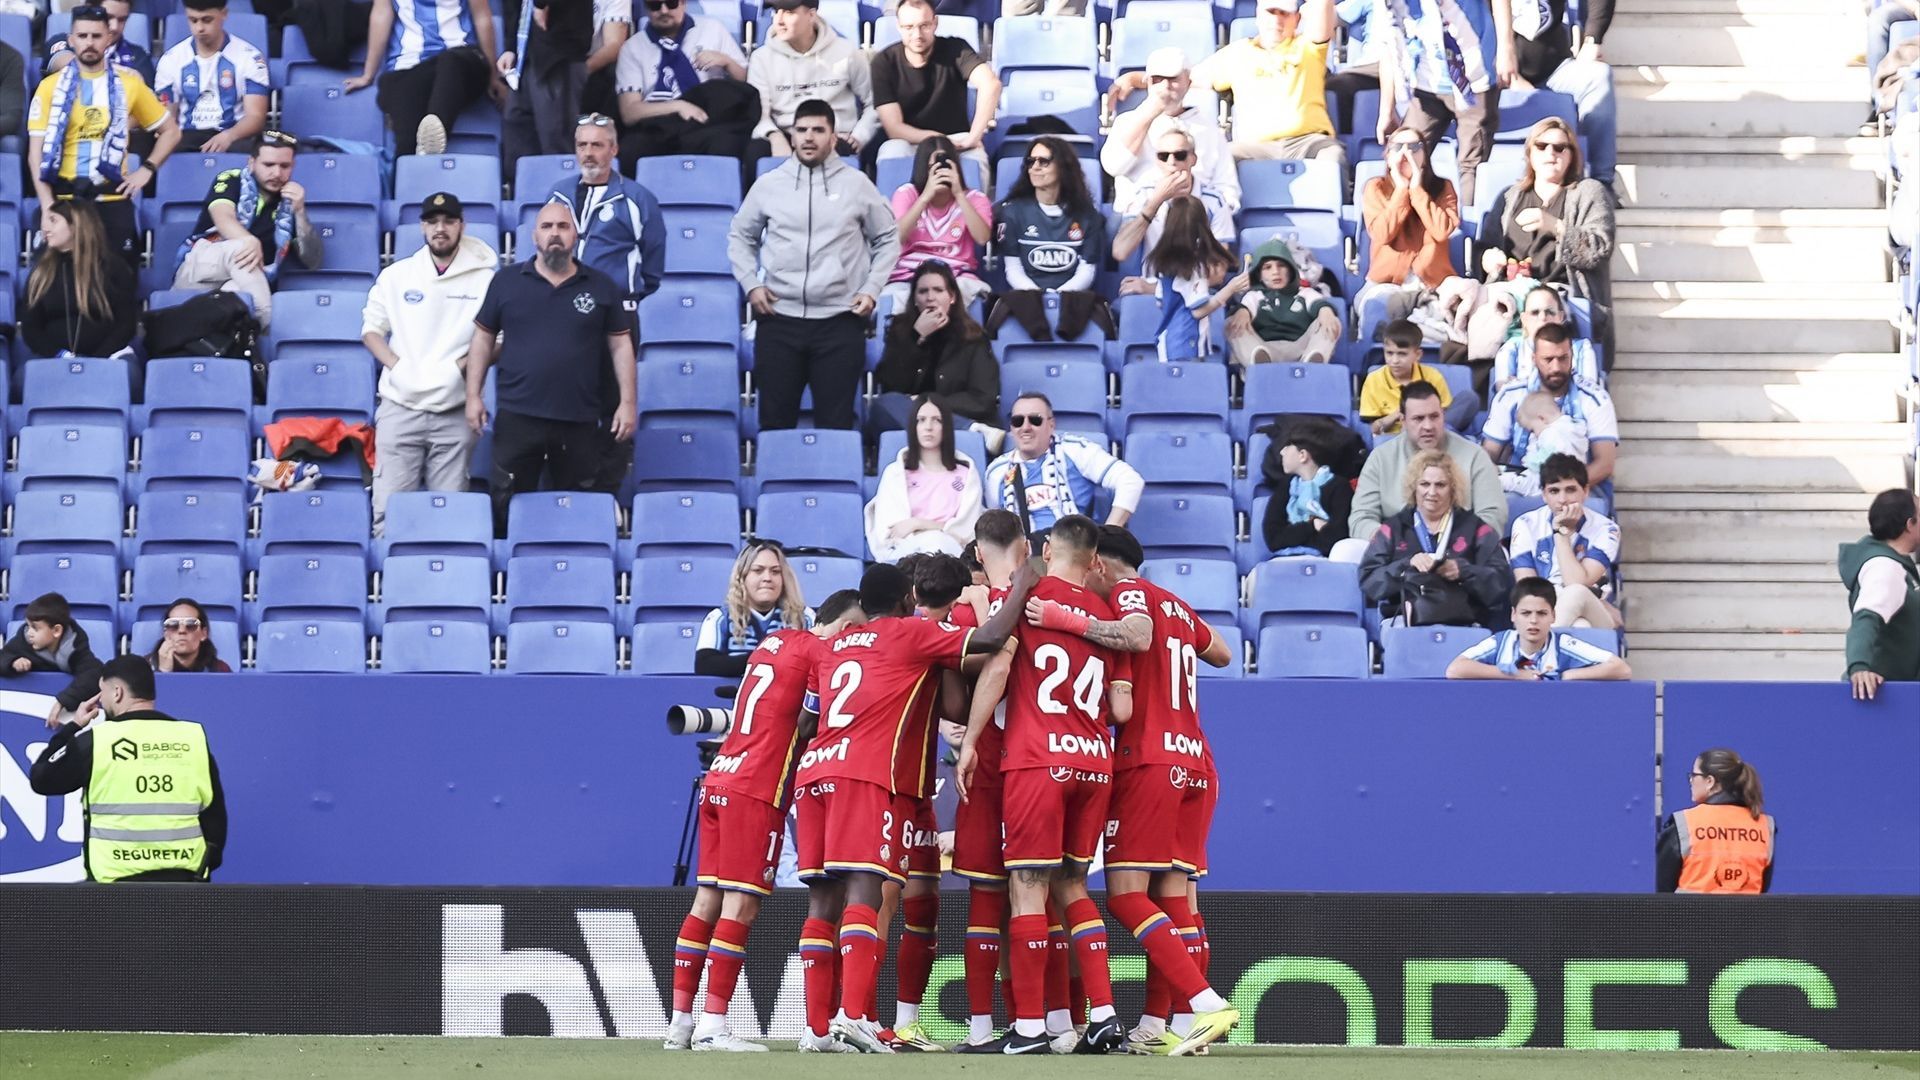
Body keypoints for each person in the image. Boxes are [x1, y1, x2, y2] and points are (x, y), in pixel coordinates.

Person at [792, 560, 1033, 1053]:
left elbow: (805, 723)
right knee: (867, 891)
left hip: (815, 772)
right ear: (907, 600)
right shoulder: (909, 632)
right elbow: (989, 639)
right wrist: (1023, 585)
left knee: (822, 901)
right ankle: (854, 1017)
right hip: (865, 776)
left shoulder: (835, 646)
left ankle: (817, 1030)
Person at [1025, 523, 1240, 1055]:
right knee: (1174, 896)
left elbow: (1138, 636)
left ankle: (1204, 1003)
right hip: (1196, 760)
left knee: (1125, 895)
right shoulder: (1176, 604)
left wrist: (1065, 618)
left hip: (1150, 759)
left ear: (1099, 563)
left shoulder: (1128, 593)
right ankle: (1167, 1024)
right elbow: (1222, 654)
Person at [665, 588, 866, 1052]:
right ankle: (714, 1025)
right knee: (741, 906)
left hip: (721, 776)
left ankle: (680, 1023)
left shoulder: (773, 642)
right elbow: (814, 721)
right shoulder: (822, 655)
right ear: (849, 628)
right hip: (757, 789)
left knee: (705, 902)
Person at [465, 202, 638, 534]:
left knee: (577, 509)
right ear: (534, 237)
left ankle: (572, 563)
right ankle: (511, 564)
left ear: (576, 235)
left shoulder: (601, 286)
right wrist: (473, 395)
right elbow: (483, 340)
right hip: (519, 416)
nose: (554, 234)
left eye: (562, 226)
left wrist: (628, 403)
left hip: (579, 419)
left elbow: (620, 346)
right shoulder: (506, 282)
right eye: (547, 227)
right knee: (507, 506)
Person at [728, 98, 898, 432]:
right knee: (774, 425)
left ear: (833, 137)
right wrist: (751, 283)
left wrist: (871, 288)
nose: (808, 137)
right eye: (801, 129)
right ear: (791, 135)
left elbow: (888, 238)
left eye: (818, 130)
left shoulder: (857, 184)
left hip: (840, 322)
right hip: (778, 320)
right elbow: (740, 236)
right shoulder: (769, 184)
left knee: (836, 427)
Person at [363, 192, 497, 532]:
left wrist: (458, 368)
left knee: (449, 518)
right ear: (422, 227)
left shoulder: (486, 279)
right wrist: (398, 367)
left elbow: (498, 340)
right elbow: (371, 331)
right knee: (389, 516)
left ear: (462, 225)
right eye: (433, 222)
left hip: (454, 410)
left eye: (449, 221)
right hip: (399, 406)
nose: (441, 228)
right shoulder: (397, 275)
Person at [27, 655, 227, 883]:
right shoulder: (191, 738)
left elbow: (41, 778)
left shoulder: (96, 741)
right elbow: (215, 815)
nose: (101, 701)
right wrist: (204, 866)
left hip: (115, 884)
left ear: (117, 693)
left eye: (102, 692)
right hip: (185, 882)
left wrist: (72, 726)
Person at [545, 113, 666, 490]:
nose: (589, 153)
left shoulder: (637, 198)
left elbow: (653, 262)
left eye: (597, 145)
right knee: (567, 401)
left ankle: (606, 491)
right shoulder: (559, 195)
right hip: (565, 315)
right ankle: (569, 485)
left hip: (616, 316)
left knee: (616, 404)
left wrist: (621, 296)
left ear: (614, 150)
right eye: (582, 145)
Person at [29, 6, 181, 266]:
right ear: (72, 39)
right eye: (83, 36)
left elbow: (171, 131)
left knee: (118, 283)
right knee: (53, 285)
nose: (89, 43)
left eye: (96, 36)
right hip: (64, 201)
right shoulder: (49, 87)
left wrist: (146, 170)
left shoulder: (130, 84)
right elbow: (35, 155)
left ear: (109, 38)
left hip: (113, 200)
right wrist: (46, 206)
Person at [1479, 117, 1615, 356]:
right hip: (1510, 292)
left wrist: (1556, 226)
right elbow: (1485, 247)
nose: (1550, 153)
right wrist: (1488, 259)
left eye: (1560, 147)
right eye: (1541, 146)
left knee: (1538, 306)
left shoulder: (1588, 192)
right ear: (1530, 153)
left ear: (1572, 155)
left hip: (1562, 295)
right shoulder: (1510, 197)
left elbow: (1599, 249)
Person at [172, 131, 322, 329]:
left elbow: (312, 261)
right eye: (268, 165)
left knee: (240, 297)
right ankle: (267, 324)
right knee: (241, 249)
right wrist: (250, 240)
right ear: (252, 163)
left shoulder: (288, 203)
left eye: (284, 166)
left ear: (293, 166)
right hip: (198, 270)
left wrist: (300, 212)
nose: (277, 173)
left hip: (240, 282)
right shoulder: (231, 179)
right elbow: (223, 217)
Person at [1375, 0, 1510, 206]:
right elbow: (1388, 46)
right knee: (1404, 154)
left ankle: (1467, 221)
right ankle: (1402, 220)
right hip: (1425, 84)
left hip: (1474, 78)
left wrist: (1506, 48)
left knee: (1471, 164)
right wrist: (1386, 110)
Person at [1359, 448, 1514, 627]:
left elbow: (1501, 581)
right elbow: (1369, 579)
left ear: (1452, 489)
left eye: (1440, 485)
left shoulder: (1476, 528)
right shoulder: (1393, 528)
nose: (1432, 492)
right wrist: (1406, 566)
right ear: (1414, 487)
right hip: (1405, 620)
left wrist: (1463, 571)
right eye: (1425, 484)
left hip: (1464, 621)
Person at [1190, 0, 1342, 170]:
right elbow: (1187, 79)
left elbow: (1323, 9)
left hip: (1308, 142)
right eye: (1271, 12)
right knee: (1223, 158)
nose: (1277, 20)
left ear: (1297, 19)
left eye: (1284, 14)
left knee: (1332, 156)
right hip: (1255, 146)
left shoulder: (1308, 48)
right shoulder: (1237, 53)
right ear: (1258, 16)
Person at [1349, 381, 1506, 540]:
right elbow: (1361, 517)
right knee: (1345, 549)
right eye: (1418, 419)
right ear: (1403, 421)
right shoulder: (1380, 458)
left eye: (1434, 416)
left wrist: (1458, 543)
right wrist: (1390, 541)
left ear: (1443, 415)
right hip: (1394, 544)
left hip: (1461, 545)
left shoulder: (1475, 456)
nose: (1428, 426)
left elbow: (1493, 515)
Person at [346, 0, 506, 157]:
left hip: (461, 59)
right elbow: (381, 15)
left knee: (450, 62)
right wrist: (368, 74)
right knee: (405, 141)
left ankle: (433, 136)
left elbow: (482, 17)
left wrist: (492, 75)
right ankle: (414, 157)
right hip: (410, 65)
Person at [1101, 48, 1239, 217]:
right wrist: (1149, 114)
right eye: (1157, 79)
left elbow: (1228, 191)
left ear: (1188, 83)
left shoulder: (1209, 130)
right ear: (1148, 83)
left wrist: (1200, 214)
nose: (1165, 86)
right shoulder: (1126, 121)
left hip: (1194, 219)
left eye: (1173, 79)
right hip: (1137, 217)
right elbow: (1113, 166)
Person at [869, 0, 1000, 176]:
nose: (917, 34)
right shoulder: (883, 62)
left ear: (935, 23)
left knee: (976, 158)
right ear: (898, 27)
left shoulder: (956, 49)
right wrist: (939, 139)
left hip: (957, 139)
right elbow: (894, 128)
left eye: (924, 26)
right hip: (909, 141)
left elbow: (991, 84)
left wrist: (974, 137)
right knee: (891, 151)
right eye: (909, 27)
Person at [871, 260, 999, 438]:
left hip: (953, 418)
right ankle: (971, 429)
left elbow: (983, 398)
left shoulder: (973, 337)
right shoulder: (900, 330)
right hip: (909, 423)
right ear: (915, 299)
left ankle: (966, 428)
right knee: (884, 404)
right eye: (923, 291)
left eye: (938, 290)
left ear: (952, 297)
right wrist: (916, 337)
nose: (930, 297)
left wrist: (929, 404)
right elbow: (889, 385)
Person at [1483, 321, 1618, 489]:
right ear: (1534, 359)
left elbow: (1604, 464)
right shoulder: (1510, 395)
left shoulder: (1595, 398)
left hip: (1579, 487)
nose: (1556, 367)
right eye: (1548, 359)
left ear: (1572, 357)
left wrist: (1562, 489)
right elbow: (1489, 453)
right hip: (1521, 482)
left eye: (1563, 358)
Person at [984, 393, 1145, 533]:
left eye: (1035, 420)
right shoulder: (996, 471)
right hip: (1022, 556)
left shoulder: (1075, 449)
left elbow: (1131, 481)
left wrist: (1108, 534)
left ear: (1051, 425)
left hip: (1074, 551)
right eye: (1018, 421)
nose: (1026, 427)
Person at [1354, 128, 1460, 338]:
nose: (1406, 153)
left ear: (1425, 156)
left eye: (1414, 147)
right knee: (1376, 307)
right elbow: (1382, 234)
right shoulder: (1375, 187)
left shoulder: (1443, 187)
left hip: (1432, 285)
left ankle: (1421, 331)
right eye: (1397, 147)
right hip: (1387, 283)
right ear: (1387, 155)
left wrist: (1417, 190)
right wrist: (1402, 191)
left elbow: (1442, 231)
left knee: (1441, 311)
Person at [1506, 0, 1617, 192]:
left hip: (1555, 69)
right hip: (1497, 77)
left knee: (1598, 76)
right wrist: (1510, 77)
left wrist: (1593, 40)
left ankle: (1600, 184)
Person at [613, 0, 747, 155]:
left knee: (727, 145)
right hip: (658, 125)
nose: (664, 11)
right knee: (631, 148)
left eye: (671, 3)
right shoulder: (632, 47)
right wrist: (678, 106)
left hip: (708, 119)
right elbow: (629, 113)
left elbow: (745, 84)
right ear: (646, 9)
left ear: (683, 3)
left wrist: (727, 61)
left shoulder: (712, 29)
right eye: (655, 5)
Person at [747, 0, 877, 158]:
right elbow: (759, 113)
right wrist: (773, 135)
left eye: (788, 12)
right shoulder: (761, 58)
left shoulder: (846, 51)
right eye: (776, 12)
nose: (778, 21)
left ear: (811, 15)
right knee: (757, 151)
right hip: (786, 135)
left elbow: (875, 101)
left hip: (834, 136)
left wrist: (859, 136)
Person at [866, 395, 985, 562]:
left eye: (936, 420)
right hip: (908, 558)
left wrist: (918, 523)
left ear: (946, 426)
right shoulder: (895, 474)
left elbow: (967, 531)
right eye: (921, 420)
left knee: (936, 543)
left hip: (952, 558)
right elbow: (892, 532)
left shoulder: (966, 475)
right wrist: (940, 528)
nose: (928, 427)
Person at [1118, 195, 1236, 362]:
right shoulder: (1194, 268)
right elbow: (1198, 311)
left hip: (1169, 341)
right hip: (1187, 343)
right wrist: (1231, 289)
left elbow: (1161, 301)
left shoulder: (1165, 264)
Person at [1508, 455, 1621, 629]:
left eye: (1570, 490)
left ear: (1585, 491)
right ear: (1544, 495)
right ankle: (1547, 641)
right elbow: (1528, 590)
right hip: (1542, 611)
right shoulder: (1526, 524)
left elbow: (1576, 583)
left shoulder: (1606, 529)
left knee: (1576, 592)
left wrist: (1561, 533)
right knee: (1581, 626)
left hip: (1593, 608)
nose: (1562, 499)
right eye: (1554, 491)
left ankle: (1541, 644)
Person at [1445, 578, 1631, 679]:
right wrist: (1516, 675)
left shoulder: (1564, 644)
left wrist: (1569, 675)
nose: (1533, 621)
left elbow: (1621, 669)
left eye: (1542, 613)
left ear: (1553, 616)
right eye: (1526, 613)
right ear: (1513, 615)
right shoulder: (1500, 642)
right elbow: (1455, 669)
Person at [20, 199, 138, 358]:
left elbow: (126, 324)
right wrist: (60, 356)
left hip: (109, 358)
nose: (45, 228)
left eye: (53, 221)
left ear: (75, 225)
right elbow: (31, 329)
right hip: (54, 360)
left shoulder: (114, 267)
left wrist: (96, 361)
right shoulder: (40, 273)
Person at [884, 137, 992, 307]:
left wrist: (959, 195)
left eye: (945, 167)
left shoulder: (975, 198)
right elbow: (896, 238)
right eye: (932, 168)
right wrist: (925, 197)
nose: (940, 174)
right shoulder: (907, 193)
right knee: (892, 298)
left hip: (956, 275)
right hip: (909, 274)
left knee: (964, 291)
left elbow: (982, 238)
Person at [1110, 119, 1236, 265]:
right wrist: (1156, 201)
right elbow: (1120, 252)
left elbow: (1219, 266)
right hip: (1152, 274)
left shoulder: (1214, 201)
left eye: (1180, 155)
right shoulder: (1144, 195)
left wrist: (1157, 286)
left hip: (1197, 277)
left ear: (1193, 159)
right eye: (1163, 156)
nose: (1171, 162)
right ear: (1157, 161)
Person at [994, 135, 1107, 296]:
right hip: (1025, 298)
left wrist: (1058, 297)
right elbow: (1013, 269)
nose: (1035, 167)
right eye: (1031, 161)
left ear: (1063, 167)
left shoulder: (1088, 216)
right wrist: (1038, 296)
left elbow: (1086, 271)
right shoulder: (1011, 213)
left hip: (1074, 299)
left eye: (1043, 161)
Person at [152, 0, 269, 153]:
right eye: (193, 20)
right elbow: (167, 117)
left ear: (224, 14)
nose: (199, 28)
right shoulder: (171, 59)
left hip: (235, 136)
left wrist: (229, 136)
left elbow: (256, 117)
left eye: (207, 20)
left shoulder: (250, 57)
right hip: (186, 136)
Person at [1655, 748, 1773, 893]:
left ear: (1710, 781)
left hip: (1691, 909)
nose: (1691, 780)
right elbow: (1763, 886)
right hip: (1747, 909)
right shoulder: (1764, 826)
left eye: (1694, 775)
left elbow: (1663, 888)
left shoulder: (1684, 823)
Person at [1840, 488, 1920, 699]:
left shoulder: (1897, 567)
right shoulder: (1885, 568)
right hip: (1882, 698)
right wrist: (1859, 666)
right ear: (1909, 525)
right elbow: (1866, 617)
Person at [498, 0, 596, 168]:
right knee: (517, 138)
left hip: (559, 51)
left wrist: (540, 4)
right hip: (525, 55)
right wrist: (511, 47)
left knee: (557, 144)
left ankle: (562, 186)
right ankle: (520, 185)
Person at [694, 540, 813, 677]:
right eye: (758, 570)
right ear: (742, 577)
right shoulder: (720, 618)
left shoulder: (805, 617)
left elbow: (823, 663)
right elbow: (704, 664)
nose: (767, 578)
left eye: (775, 571)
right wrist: (764, 659)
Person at [1220, 236, 1343, 368]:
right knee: (1232, 323)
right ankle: (1257, 363)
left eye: (1281, 266)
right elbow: (1246, 307)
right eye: (1268, 267)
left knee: (1331, 321)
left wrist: (1325, 311)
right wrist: (1243, 312)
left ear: (1290, 270)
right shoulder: (1255, 296)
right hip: (1263, 348)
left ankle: (1313, 362)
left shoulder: (1305, 293)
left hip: (1301, 350)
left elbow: (1319, 303)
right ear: (1259, 274)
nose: (1276, 272)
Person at [0, 592, 106, 728]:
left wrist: (62, 701)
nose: (29, 633)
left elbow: (94, 674)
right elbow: (3, 657)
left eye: (35, 628)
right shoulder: (23, 641)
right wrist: (12, 662)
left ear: (56, 631)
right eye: (28, 626)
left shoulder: (77, 647)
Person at [1264, 421, 1353, 558]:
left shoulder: (1339, 488)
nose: (1282, 452)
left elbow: (1337, 538)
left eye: (1287, 446)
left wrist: (1294, 535)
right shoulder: (1285, 487)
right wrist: (1312, 526)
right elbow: (1274, 539)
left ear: (1303, 455)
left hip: (1327, 563)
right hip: (1285, 561)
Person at [1490, 283, 1600, 393]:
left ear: (1561, 317)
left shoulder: (1582, 348)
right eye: (1535, 313)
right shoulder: (1511, 348)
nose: (1543, 318)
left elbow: (1589, 390)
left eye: (1550, 312)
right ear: (1524, 319)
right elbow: (1503, 392)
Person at [1360, 319, 1454, 435]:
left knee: (1467, 400)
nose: (1395, 361)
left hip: (1430, 431)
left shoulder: (1433, 376)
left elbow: (1444, 414)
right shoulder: (1374, 380)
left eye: (1402, 354)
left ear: (1418, 355)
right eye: (1389, 353)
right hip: (1394, 437)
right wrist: (1399, 414)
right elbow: (1373, 429)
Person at [46, 0, 155, 85]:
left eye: (122, 20)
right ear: (90, 10)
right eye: (108, 17)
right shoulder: (65, 41)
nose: (115, 27)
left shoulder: (138, 56)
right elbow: (65, 63)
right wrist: (117, 70)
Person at [1501, 391, 1587, 496]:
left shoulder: (1551, 434)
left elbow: (1546, 460)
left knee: (1519, 482)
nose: (1533, 435)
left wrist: (1528, 461)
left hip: (1551, 481)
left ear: (1542, 419)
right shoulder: (1570, 429)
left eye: (1532, 430)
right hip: (1569, 479)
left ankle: (1499, 482)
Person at [144, 599, 232, 673]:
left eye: (191, 625)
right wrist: (163, 672)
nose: (182, 631)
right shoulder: (144, 667)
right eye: (173, 625)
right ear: (166, 633)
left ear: (203, 634)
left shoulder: (220, 670)